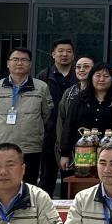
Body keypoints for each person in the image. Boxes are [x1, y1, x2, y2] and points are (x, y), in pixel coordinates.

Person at [0, 47, 54, 187]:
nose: (19, 63)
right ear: (8, 63)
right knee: (2, 183)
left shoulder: (41, 87)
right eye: (15, 59)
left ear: (30, 64)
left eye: (24, 60)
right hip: (2, 144)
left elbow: (46, 114)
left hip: (30, 145)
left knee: (29, 185)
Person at [60, 62, 112, 167]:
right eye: (98, 75)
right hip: (82, 153)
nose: (101, 79)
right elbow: (69, 126)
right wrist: (65, 153)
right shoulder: (80, 99)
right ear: (91, 77)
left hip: (111, 152)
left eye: (106, 76)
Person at [38, 39, 77, 196]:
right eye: (60, 51)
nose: (64, 54)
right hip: (50, 134)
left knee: (71, 178)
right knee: (47, 177)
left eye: (68, 51)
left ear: (73, 55)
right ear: (53, 54)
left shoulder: (79, 75)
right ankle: (43, 207)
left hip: (72, 134)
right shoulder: (44, 76)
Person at [55, 56, 94, 175]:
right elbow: (61, 123)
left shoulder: (99, 93)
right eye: (78, 67)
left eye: (86, 67)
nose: (81, 70)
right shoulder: (69, 93)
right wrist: (63, 150)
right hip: (70, 149)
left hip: (92, 148)